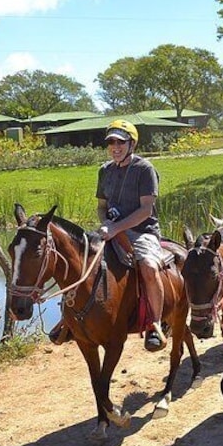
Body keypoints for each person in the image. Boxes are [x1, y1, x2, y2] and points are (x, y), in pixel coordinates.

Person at [96, 119, 166, 352]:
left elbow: (146, 209)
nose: (115, 147)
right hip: (111, 229)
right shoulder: (104, 171)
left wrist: (117, 228)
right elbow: (101, 206)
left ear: (132, 144)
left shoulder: (144, 169)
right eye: (111, 143)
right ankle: (72, 319)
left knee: (148, 266)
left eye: (120, 142)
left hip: (142, 231)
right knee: (81, 259)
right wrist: (106, 223)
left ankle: (155, 323)